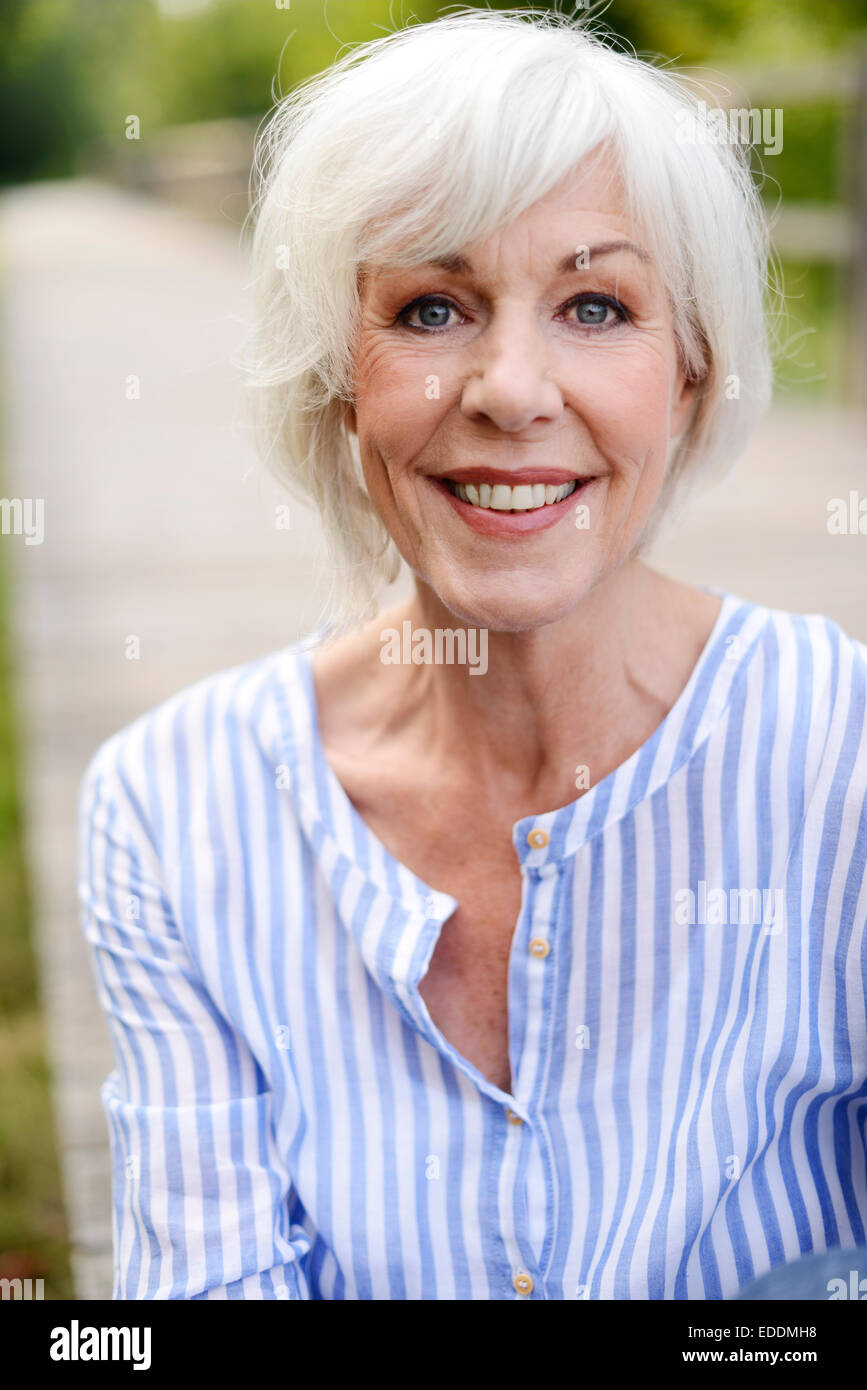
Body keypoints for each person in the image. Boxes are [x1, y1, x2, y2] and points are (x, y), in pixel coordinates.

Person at [77, 10, 867, 1300]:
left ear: (692, 373)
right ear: (338, 376)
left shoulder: (847, 761)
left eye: (596, 305)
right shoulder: (173, 808)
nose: (511, 389)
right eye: (431, 307)